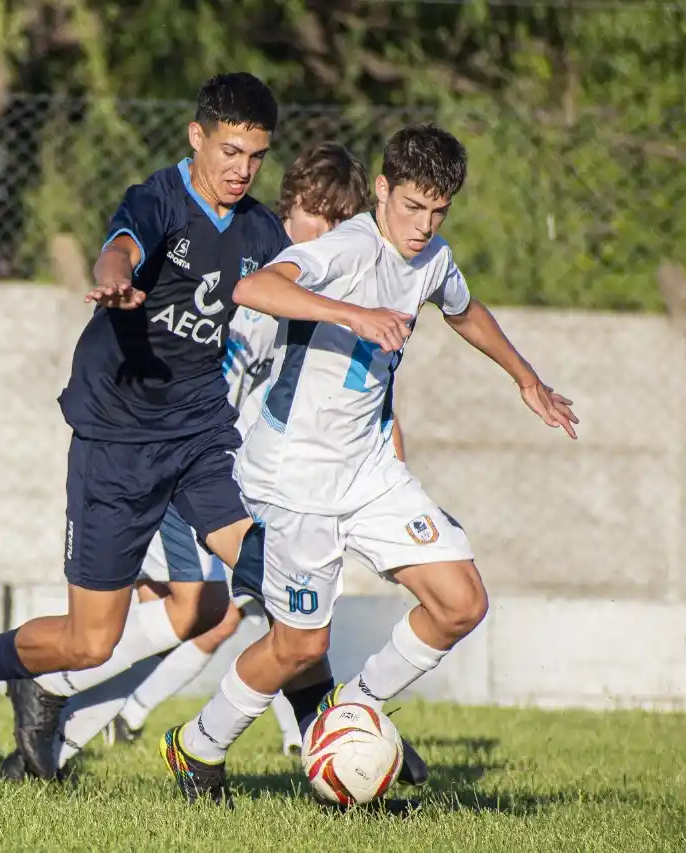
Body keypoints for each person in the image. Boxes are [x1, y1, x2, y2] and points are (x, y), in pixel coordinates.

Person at [0, 72, 408, 784]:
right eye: (229, 151)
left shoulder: (257, 230)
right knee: (90, 640)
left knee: (272, 576)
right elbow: (122, 248)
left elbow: (281, 282)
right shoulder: (159, 197)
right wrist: (114, 277)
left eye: (255, 157)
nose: (240, 169)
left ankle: (328, 729)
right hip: (115, 437)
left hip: (197, 439)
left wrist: (356, 307)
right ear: (197, 136)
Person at [161, 124, 578, 804]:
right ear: (382, 190)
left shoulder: (433, 257)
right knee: (298, 647)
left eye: (438, 211)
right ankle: (197, 747)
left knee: (460, 602)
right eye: (412, 207)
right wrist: (350, 315)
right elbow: (256, 289)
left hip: (369, 470)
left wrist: (524, 377)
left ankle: (348, 711)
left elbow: (464, 308)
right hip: (294, 477)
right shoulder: (348, 246)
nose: (423, 225)